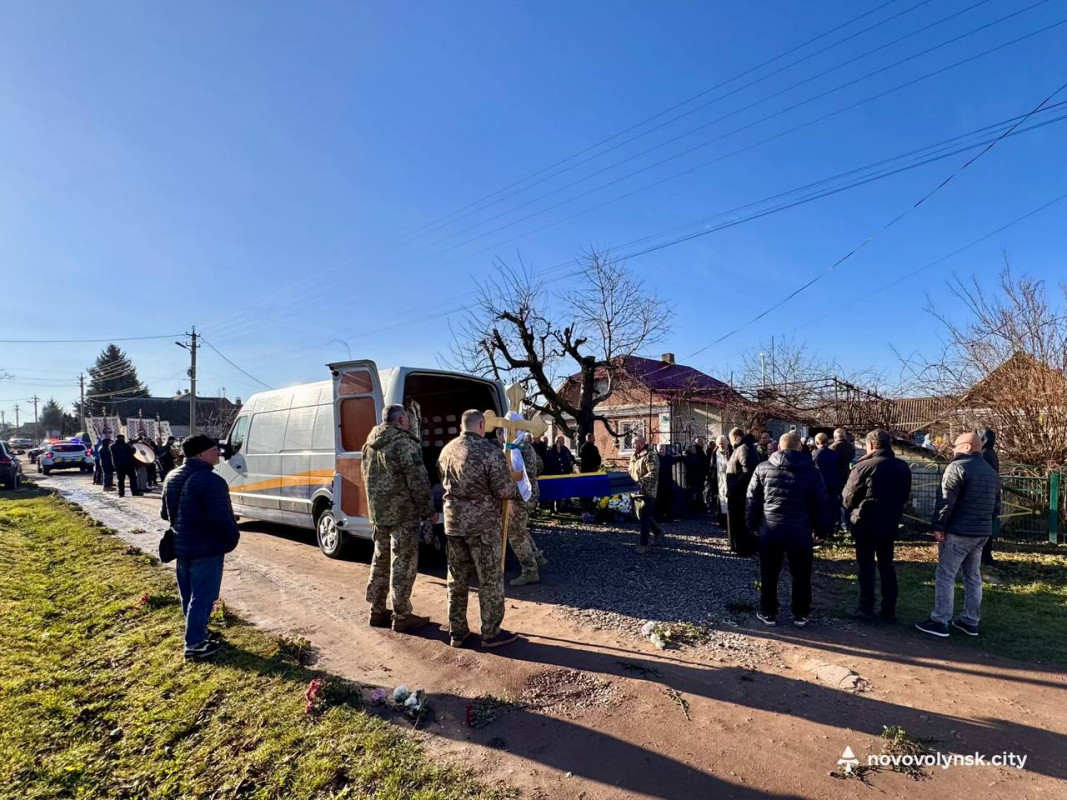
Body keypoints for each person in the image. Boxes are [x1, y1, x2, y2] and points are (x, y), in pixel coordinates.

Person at [438, 410, 520, 649]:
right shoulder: (488, 451)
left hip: (453, 524)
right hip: (482, 526)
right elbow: (503, 489)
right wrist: (516, 489)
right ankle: (491, 632)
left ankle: (457, 632)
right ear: (481, 425)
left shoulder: (446, 450)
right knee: (490, 579)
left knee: (456, 579)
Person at [160, 435, 240, 661]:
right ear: (200, 454)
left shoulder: (172, 476)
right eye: (214, 449)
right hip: (206, 547)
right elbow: (221, 518)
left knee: (189, 594)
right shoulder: (211, 481)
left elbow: (164, 514)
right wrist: (232, 538)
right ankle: (195, 644)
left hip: (181, 545)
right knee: (204, 596)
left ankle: (198, 633)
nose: (218, 453)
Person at [916, 432, 1001, 638]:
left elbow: (946, 501)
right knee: (973, 576)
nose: (952, 450)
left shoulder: (957, 468)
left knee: (946, 575)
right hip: (981, 533)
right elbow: (996, 506)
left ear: (967, 447)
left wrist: (938, 526)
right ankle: (970, 620)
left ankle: (940, 620)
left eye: (955, 446)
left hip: (958, 531)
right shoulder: (991, 472)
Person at [362, 404, 437, 633]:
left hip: (379, 513)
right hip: (403, 514)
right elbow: (418, 481)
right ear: (402, 421)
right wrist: (429, 511)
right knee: (402, 563)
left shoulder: (369, 444)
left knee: (380, 560)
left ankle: (376, 610)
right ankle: (402, 615)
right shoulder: (405, 444)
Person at [746, 431, 829, 627]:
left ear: (779, 447)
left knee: (769, 573)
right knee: (801, 574)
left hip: (770, 529)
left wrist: (751, 524)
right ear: (799, 447)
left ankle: (768, 612)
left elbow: (752, 499)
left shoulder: (762, 468)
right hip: (800, 531)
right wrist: (821, 529)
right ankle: (801, 613)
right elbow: (820, 502)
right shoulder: (811, 471)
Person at [842, 430, 913, 622]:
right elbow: (905, 495)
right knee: (886, 565)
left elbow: (848, 498)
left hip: (866, 521)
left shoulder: (863, 467)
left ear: (871, 445)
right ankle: (888, 609)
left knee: (866, 565)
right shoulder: (902, 466)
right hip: (890, 521)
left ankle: (866, 607)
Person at [508, 426, 548, 586]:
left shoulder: (515, 447)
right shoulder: (527, 445)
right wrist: (531, 479)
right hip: (530, 492)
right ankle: (537, 557)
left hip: (520, 496)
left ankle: (530, 571)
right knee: (521, 528)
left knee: (516, 534)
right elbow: (539, 464)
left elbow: (514, 472)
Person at [725, 429, 759, 556]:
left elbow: (748, 471)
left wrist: (735, 485)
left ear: (737, 437)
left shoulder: (744, 448)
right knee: (736, 522)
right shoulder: (741, 448)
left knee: (740, 522)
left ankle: (744, 548)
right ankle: (738, 546)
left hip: (740, 494)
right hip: (736, 493)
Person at [628, 435, 662, 553]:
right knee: (641, 516)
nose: (633, 446)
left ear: (642, 443)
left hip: (647, 492)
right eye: (632, 443)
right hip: (635, 491)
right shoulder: (633, 455)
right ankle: (658, 532)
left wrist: (640, 482)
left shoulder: (650, 455)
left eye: (635, 443)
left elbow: (653, 473)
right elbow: (630, 471)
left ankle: (644, 544)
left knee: (644, 519)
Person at [976, 427, 999, 566]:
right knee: (987, 529)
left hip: (983, 496)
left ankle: (984, 557)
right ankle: (986, 556)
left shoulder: (983, 454)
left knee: (983, 531)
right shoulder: (992, 453)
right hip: (992, 496)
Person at [811, 433, 841, 524]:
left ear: (816, 442)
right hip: (833, 482)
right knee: (833, 505)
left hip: (820, 483)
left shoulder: (814, 454)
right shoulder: (834, 453)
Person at [830, 429, 856, 530]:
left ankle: (840, 523)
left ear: (835, 437)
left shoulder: (833, 447)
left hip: (836, 476)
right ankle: (847, 523)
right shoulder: (851, 447)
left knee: (838, 501)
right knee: (847, 499)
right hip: (848, 475)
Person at [684, 440, 708, 512]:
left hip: (696, 477)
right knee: (694, 493)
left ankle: (697, 508)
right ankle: (695, 508)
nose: (695, 450)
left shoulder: (694, 455)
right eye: (693, 449)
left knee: (697, 492)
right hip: (694, 478)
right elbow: (698, 463)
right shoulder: (690, 457)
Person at [713, 434, 730, 529]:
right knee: (721, 499)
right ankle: (722, 520)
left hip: (728, 477)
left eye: (723, 444)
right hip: (719, 478)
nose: (721, 446)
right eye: (720, 444)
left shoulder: (730, 451)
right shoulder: (715, 452)